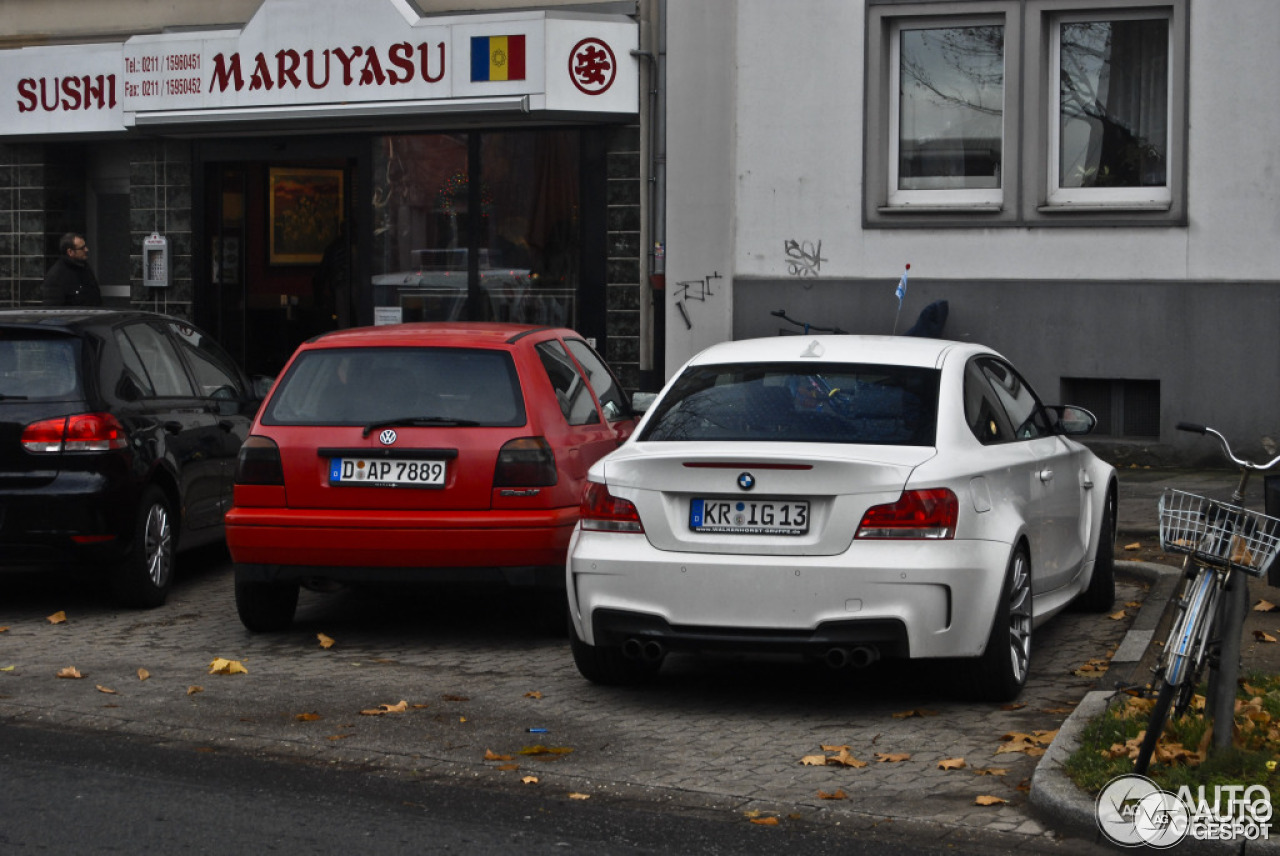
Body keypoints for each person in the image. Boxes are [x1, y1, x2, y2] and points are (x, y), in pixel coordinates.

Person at [41, 232, 102, 306]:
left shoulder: (84, 268)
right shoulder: (57, 275)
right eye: (82, 248)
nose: (86, 250)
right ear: (70, 252)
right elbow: (53, 307)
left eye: (85, 246)